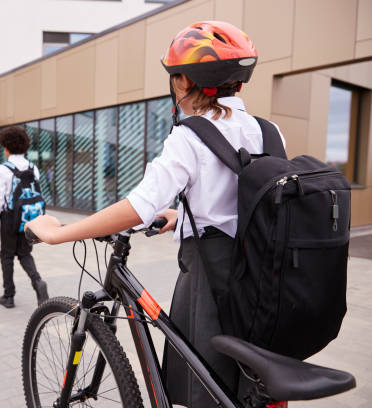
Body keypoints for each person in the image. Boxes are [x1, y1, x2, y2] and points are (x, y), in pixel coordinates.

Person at [25, 21, 285, 408]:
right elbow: (251, 200)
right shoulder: (269, 132)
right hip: (263, 280)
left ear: (182, 82)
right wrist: (182, 217)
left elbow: (137, 208)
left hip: (211, 282)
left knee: (205, 388)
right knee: (243, 385)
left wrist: (57, 233)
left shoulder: (190, 135)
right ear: (239, 84)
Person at [0, 126, 49, 309]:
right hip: (28, 219)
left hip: (9, 219)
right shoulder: (33, 167)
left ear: (6, 147)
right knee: (24, 253)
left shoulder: (3, 169)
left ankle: (9, 295)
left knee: (7, 256)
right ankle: (38, 282)